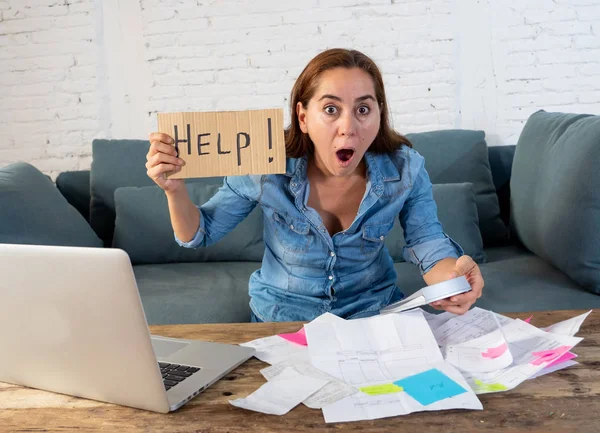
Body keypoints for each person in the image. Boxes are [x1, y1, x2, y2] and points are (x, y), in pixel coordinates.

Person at [146, 48, 484, 323]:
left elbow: (428, 243)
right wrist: (174, 190)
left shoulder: (405, 169)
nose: (348, 126)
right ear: (303, 117)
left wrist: (452, 281)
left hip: (373, 314)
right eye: (331, 109)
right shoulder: (264, 167)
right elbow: (200, 233)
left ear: (380, 114)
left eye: (363, 108)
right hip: (283, 318)